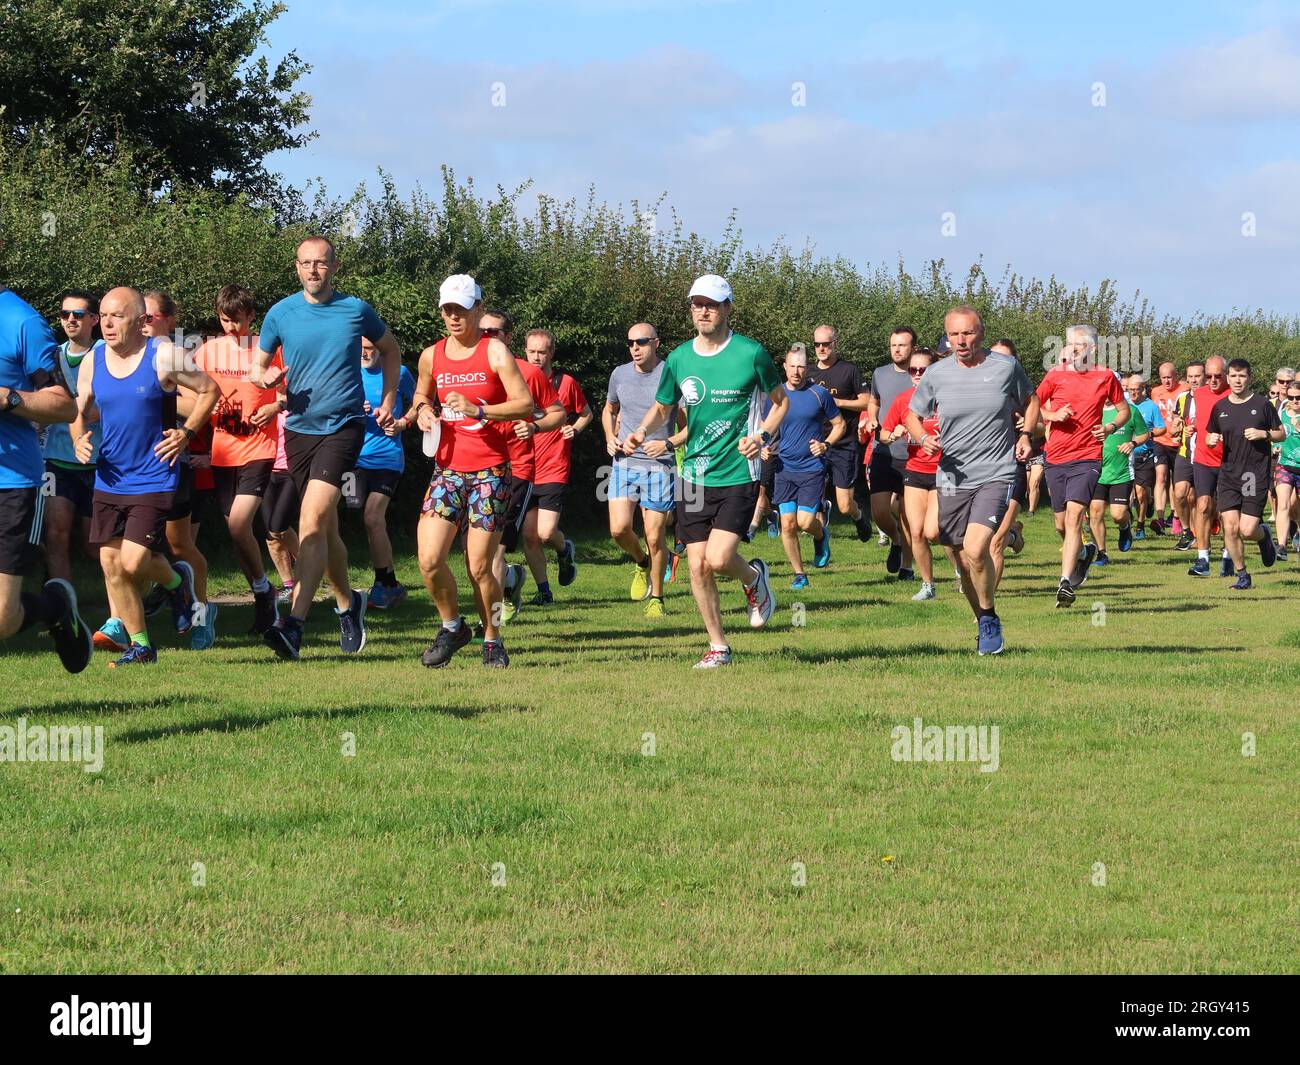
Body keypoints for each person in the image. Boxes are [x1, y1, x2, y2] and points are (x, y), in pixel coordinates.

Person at [622, 274, 786, 668]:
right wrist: (642, 430)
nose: (703, 311)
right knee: (696, 565)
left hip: (737, 472)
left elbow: (780, 403)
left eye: (711, 304)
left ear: (728, 308)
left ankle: (753, 578)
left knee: (717, 557)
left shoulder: (751, 354)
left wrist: (761, 436)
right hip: (693, 475)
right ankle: (719, 647)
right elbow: (664, 406)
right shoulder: (679, 358)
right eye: (697, 304)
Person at [253, 236, 403, 660]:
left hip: (345, 426)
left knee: (313, 521)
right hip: (299, 430)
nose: (313, 270)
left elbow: (391, 350)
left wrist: (389, 400)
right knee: (327, 530)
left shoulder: (355, 310)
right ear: (296, 267)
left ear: (334, 267)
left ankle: (294, 626)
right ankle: (347, 604)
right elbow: (258, 368)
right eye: (306, 264)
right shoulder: (280, 313)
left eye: (321, 263)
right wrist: (264, 380)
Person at [70, 287, 219, 666]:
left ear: (141, 321)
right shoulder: (94, 359)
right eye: (102, 315)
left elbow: (208, 390)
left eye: (116, 316)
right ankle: (141, 646)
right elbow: (79, 409)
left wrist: (186, 434)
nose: (105, 323)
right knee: (109, 561)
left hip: (154, 475)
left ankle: (175, 583)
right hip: (110, 476)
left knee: (134, 561)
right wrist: (78, 439)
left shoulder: (163, 355)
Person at [413, 275, 532, 669]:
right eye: (447, 309)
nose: (453, 316)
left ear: (478, 309)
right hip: (447, 470)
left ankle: (493, 638)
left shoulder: (494, 351)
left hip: (490, 471)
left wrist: (480, 410)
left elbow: (525, 405)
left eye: (461, 310)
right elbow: (420, 395)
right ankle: (452, 627)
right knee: (429, 559)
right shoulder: (432, 355)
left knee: (480, 565)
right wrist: (424, 411)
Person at [905, 306, 1037, 654]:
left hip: (996, 471)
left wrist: (1025, 437)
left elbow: (1032, 399)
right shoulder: (936, 373)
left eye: (967, 333)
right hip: (951, 476)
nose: (961, 341)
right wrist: (922, 437)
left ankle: (990, 616)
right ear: (946, 337)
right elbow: (912, 415)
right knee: (959, 557)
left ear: (980, 333)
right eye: (954, 334)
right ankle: (982, 620)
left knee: (977, 549)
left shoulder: (1005, 367)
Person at [0, 282, 93, 674]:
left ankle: (56, 607)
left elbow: (63, 405)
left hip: (11, 484)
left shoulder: (21, 322)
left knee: (2, 620)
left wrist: (9, 398)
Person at [193, 284, 283, 633]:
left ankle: (264, 591)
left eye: (237, 320)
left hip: (260, 448)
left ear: (251, 315)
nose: (231, 327)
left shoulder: (269, 349)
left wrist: (275, 406)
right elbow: (191, 389)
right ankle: (263, 591)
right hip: (222, 451)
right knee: (237, 534)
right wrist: (204, 402)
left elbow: (296, 391)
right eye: (224, 320)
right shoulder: (208, 351)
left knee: (237, 524)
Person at [139, 290, 217, 649]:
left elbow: (204, 399)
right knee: (129, 546)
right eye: (139, 316)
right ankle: (130, 624)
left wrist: (164, 396)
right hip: (129, 462)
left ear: (170, 320)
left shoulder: (175, 356)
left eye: (151, 317)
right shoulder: (126, 354)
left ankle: (201, 612)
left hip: (171, 459)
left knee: (178, 544)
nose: (143, 323)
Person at [478, 309, 565, 624]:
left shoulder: (528, 373)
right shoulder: (469, 369)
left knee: (497, 549)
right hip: (475, 468)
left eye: (495, 333)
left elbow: (558, 414)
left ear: (508, 337)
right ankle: (511, 583)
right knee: (477, 554)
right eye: (483, 331)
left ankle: (493, 623)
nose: (488, 338)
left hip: (517, 469)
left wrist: (535, 428)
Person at [1035, 325, 1127, 606]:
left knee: (1075, 517)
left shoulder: (1105, 377)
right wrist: (1053, 414)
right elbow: (1033, 405)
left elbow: (1123, 410)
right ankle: (1085, 554)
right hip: (1056, 457)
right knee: (1061, 523)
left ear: (1093, 349)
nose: (1073, 349)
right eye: (1070, 344)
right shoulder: (1056, 375)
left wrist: (1109, 427)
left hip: (1088, 457)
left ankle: (1065, 582)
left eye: (1079, 344)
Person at [603, 322, 684, 615]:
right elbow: (609, 409)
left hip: (658, 466)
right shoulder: (619, 374)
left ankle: (657, 599)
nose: (635, 347)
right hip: (624, 463)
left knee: (654, 536)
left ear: (656, 343)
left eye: (642, 342)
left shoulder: (670, 376)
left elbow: (690, 426)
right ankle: (641, 562)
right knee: (619, 529)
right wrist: (610, 437)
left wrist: (669, 444)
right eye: (630, 343)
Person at [762, 344, 844, 587]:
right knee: (787, 524)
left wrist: (826, 445)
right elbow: (766, 427)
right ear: (784, 367)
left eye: (801, 366)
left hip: (811, 468)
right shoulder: (775, 396)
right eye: (792, 366)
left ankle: (821, 535)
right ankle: (799, 574)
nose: (796, 371)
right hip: (784, 468)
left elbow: (839, 424)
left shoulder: (819, 394)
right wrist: (763, 446)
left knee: (805, 522)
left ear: (806, 368)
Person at [521, 328, 592, 604]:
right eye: (532, 351)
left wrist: (574, 428)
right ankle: (544, 592)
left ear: (551, 353)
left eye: (542, 351)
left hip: (554, 466)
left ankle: (565, 550)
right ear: (524, 352)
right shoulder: (517, 382)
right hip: (525, 467)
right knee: (529, 535)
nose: (536, 357)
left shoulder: (565, 382)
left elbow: (586, 413)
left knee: (546, 532)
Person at [346, 335, 416, 610]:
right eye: (360, 349)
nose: (364, 354)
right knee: (352, 512)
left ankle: (386, 583)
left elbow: (420, 403)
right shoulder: (346, 370)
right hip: (351, 460)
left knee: (373, 516)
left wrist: (401, 423)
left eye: (370, 349)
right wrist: (351, 410)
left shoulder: (398, 372)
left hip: (387, 458)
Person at [42, 290, 101, 584]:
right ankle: (63, 612)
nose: (70, 320)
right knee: (55, 534)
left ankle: (139, 590)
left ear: (94, 319)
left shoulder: (107, 353)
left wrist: (77, 409)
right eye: (65, 314)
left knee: (95, 546)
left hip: (100, 461)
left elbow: (99, 409)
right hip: (57, 460)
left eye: (77, 315)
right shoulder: (51, 355)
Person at [1208, 359, 1282, 589]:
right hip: (1229, 474)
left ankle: (1264, 535)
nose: (1237, 380)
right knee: (1229, 526)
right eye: (1233, 376)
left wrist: (1264, 434)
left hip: (1254, 473)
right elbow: (1210, 434)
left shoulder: (1262, 404)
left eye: (1242, 376)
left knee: (1247, 529)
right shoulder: (1220, 407)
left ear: (1249, 378)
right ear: (1227, 378)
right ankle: (1243, 576)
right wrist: (1210, 440)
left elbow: (1281, 434)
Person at [881, 346, 940, 600]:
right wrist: (891, 435)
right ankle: (928, 585)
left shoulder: (946, 398)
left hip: (942, 472)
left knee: (934, 532)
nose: (916, 374)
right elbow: (883, 432)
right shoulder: (903, 400)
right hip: (914, 470)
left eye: (922, 370)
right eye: (912, 370)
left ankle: (963, 568)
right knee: (915, 531)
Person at [807, 324, 873, 541]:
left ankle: (859, 516)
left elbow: (866, 402)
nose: (821, 348)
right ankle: (821, 541)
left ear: (835, 343)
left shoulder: (849, 370)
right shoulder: (808, 373)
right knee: (812, 500)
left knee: (844, 506)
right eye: (817, 344)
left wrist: (837, 402)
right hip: (815, 444)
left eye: (826, 344)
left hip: (844, 443)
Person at [863, 327, 917, 575]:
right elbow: (873, 401)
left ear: (913, 348)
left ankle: (907, 566)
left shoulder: (922, 376)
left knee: (908, 516)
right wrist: (873, 418)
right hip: (882, 450)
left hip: (912, 456)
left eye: (902, 345)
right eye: (893, 345)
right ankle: (895, 540)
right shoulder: (880, 373)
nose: (897, 349)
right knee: (880, 512)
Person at [1178, 356, 1231, 577]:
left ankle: (1229, 558)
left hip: (1230, 460)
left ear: (1226, 375)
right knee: (1202, 506)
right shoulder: (1197, 395)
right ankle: (1203, 560)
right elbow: (1192, 420)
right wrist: (1188, 429)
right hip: (1202, 458)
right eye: (1208, 376)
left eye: (1217, 376)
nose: (1212, 381)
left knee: (1229, 513)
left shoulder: (1234, 395)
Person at [1087, 389, 1150, 565]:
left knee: (1118, 514)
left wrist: (1132, 443)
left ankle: (1125, 526)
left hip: (1121, 471)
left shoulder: (1130, 411)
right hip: (1096, 470)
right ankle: (1102, 553)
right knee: (1095, 512)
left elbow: (1145, 433)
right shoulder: (1092, 410)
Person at [987, 339, 1028, 584]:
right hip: (981, 471)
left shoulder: (1023, 393)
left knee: (995, 542)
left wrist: (1029, 429)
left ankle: (985, 605)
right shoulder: (976, 389)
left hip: (1014, 469)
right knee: (976, 538)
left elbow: (1045, 425)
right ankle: (1014, 534)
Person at [260, 407, 300, 604]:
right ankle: (289, 586)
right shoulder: (260, 405)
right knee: (270, 535)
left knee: (279, 528)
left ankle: (310, 567)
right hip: (265, 470)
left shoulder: (295, 403)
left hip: (291, 472)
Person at [1169, 361, 1205, 548]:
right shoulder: (1182, 398)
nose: (1193, 380)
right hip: (1184, 451)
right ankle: (1186, 532)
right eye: (1190, 377)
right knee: (1180, 493)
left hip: (1205, 454)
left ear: (1204, 376)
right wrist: (1176, 428)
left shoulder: (1212, 398)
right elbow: (1176, 424)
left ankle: (1207, 534)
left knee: (1200, 499)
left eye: (1197, 376)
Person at [1146, 362, 1186, 534]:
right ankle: (1160, 518)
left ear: (1175, 376)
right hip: (1160, 440)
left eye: (1170, 377)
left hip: (1179, 442)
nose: (1167, 381)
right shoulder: (1155, 392)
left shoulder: (1184, 389)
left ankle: (1176, 517)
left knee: (1176, 482)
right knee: (1161, 476)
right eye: (1163, 378)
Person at [1124, 374, 1164, 539]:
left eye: (1136, 390)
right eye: (1130, 390)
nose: (1133, 393)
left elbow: (1162, 428)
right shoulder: (1123, 406)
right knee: (1127, 494)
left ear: (1143, 390)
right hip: (1126, 455)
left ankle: (1140, 526)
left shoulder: (1152, 407)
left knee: (1140, 493)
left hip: (1144, 454)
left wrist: (1149, 433)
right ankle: (1128, 521)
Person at [1274, 381, 1300, 561]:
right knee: (1283, 504)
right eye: (1291, 397)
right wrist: (1275, 446)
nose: (1294, 401)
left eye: (1298, 398)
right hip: (1284, 465)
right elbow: (1275, 434)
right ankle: (1281, 546)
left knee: (1294, 506)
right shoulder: (1281, 414)